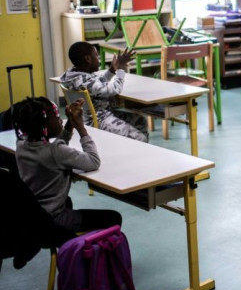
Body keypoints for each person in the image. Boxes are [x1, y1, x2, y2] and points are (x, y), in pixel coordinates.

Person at [12, 97, 122, 233]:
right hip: (54, 219)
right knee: (114, 218)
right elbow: (93, 161)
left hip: (34, 217)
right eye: (57, 116)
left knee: (68, 202)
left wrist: (70, 123)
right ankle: (80, 250)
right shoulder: (56, 152)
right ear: (44, 126)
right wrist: (81, 128)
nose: (60, 119)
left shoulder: (21, 145)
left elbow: (57, 148)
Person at [60, 41, 149, 142]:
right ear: (88, 59)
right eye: (96, 56)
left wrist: (112, 70)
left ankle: (132, 149)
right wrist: (120, 69)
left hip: (91, 117)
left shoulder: (74, 76)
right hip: (98, 120)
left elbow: (97, 86)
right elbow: (114, 89)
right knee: (140, 137)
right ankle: (139, 153)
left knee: (140, 121)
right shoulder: (86, 82)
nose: (99, 60)